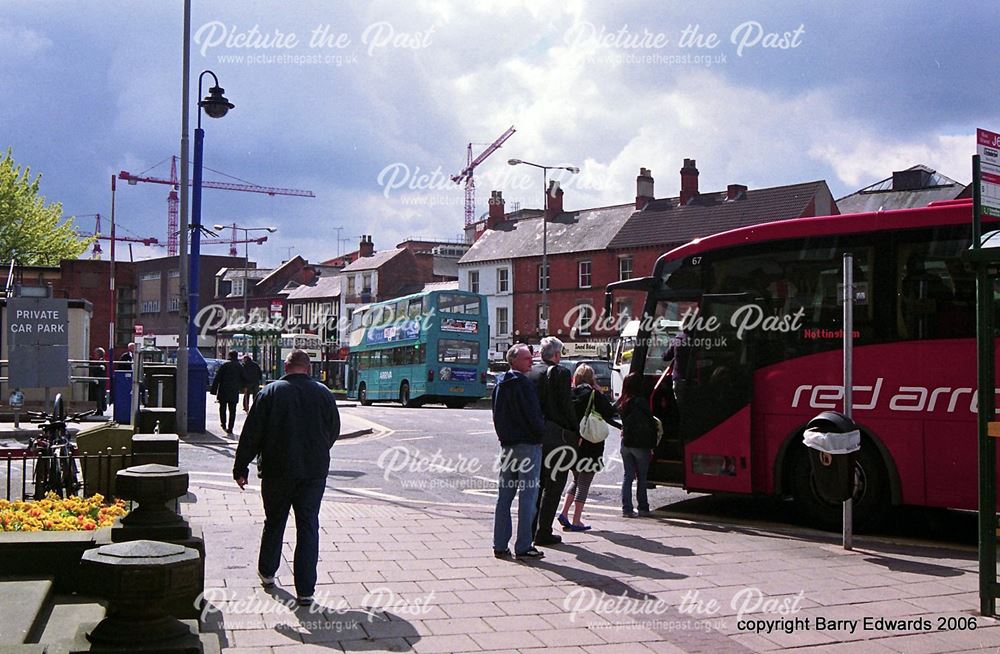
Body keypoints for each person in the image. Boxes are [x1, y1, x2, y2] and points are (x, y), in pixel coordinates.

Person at [233, 349, 340, 606]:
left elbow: (252, 433)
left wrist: (241, 467)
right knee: (308, 526)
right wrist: (316, 450)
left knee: (274, 521)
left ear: (286, 366)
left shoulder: (270, 392)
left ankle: (268, 572)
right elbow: (333, 431)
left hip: (276, 470)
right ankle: (305, 590)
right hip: (313, 473)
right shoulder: (324, 394)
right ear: (309, 368)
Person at [491, 343, 546, 560]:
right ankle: (523, 545)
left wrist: (503, 437)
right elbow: (534, 416)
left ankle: (500, 544)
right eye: (526, 358)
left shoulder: (500, 385)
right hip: (527, 446)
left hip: (507, 447)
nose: (530, 361)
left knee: (504, 497)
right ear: (513, 360)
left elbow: (496, 415)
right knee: (528, 497)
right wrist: (540, 437)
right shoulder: (524, 384)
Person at [527, 336, 578, 546]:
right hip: (556, 435)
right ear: (556, 354)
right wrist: (576, 430)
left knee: (536, 484)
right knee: (555, 484)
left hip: (534, 434)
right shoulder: (561, 372)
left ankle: (529, 530)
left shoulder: (530, 373)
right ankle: (544, 531)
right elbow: (566, 406)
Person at [559, 364, 622, 531]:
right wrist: (600, 394)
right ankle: (576, 520)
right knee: (585, 483)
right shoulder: (594, 394)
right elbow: (609, 413)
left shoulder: (570, 394)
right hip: (590, 444)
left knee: (576, 479)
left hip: (573, 443)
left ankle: (564, 513)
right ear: (591, 378)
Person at [617, 372, 658, 517]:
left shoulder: (623, 402)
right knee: (642, 476)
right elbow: (650, 423)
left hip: (626, 443)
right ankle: (643, 506)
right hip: (640, 444)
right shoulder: (641, 402)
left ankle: (626, 509)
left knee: (627, 476)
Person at [211, 351, 243, 435]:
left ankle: (223, 423)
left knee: (222, 408)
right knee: (233, 411)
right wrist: (243, 388)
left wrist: (213, 390)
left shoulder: (225, 365)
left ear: (229, 356)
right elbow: (244, 378)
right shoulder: (240, 366)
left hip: (223, 391)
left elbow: (217, 378)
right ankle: (230, 428)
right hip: (234, 391)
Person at [89, 347, 107, 414]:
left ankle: (100, 409)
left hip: (100, 382)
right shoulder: (100, 361)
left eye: (96, 353)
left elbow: (96, 369)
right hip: (99, 381)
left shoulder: (101, 361)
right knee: (98, 395)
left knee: (99, 395)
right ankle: (99, 409)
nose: (94, 355)